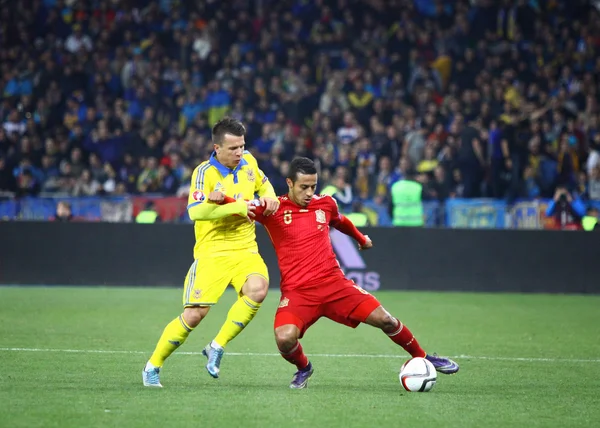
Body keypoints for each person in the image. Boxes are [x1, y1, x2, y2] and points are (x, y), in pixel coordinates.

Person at [248, 157, 459, 388]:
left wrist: (361, 239)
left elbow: (340, 221)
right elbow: (239, 207)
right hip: (299, 293)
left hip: (335, 285)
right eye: (303, 187)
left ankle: (422, 356)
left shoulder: (326, 204)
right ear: (289, 183)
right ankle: (304, 368)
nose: (309, 193)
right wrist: (213, 199)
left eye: (313, 187)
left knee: (385, 319)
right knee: (284, 338)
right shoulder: (273, 208)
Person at [142, 117, 280, 387]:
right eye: (233, 149)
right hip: (213, 251)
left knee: (258, 289)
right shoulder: (204, 173)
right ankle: (152, 366)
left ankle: (217, 345)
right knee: (194, 315)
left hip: (245, 247)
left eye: (242, 146)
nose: (239, 153)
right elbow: (195, 211)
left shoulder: (249, 161)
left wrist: (271, 196)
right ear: (217, 148)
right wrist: (236, 207)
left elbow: (263, 184)